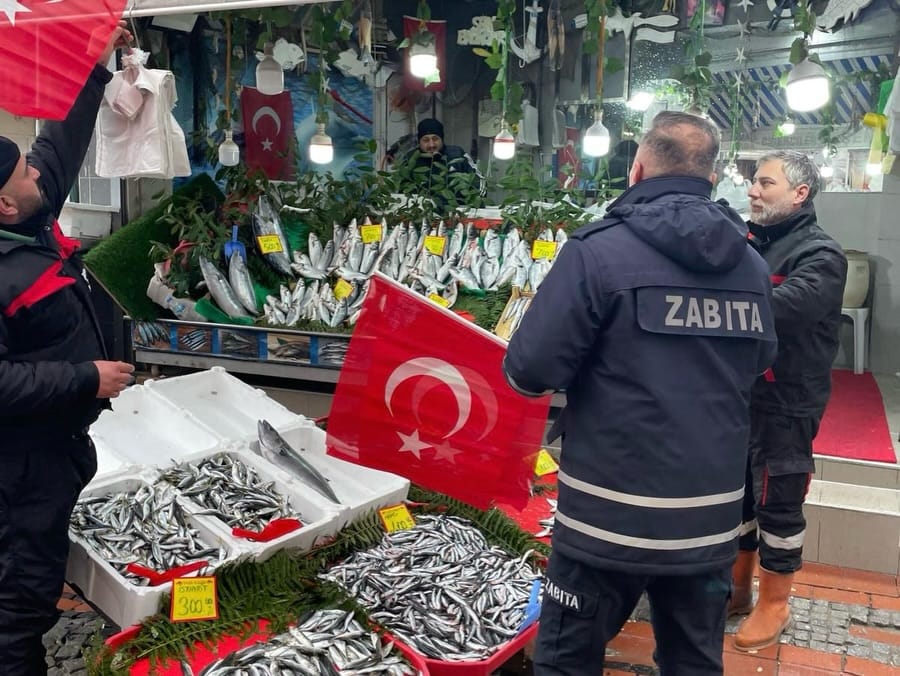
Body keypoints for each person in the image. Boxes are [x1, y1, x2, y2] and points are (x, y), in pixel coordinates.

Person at [503, 111, 778, 675]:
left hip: (607, 518)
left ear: (637, 168)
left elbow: (529, 370)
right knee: (694, 661)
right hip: (708, 518)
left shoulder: (597, 251)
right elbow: (761, 360)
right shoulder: (750, 265)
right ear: (713, 175)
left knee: (567, 660)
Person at [0, 23, 135, 674]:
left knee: (40, 572)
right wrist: (85, 378)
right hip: (17, 466)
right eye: (23, 169)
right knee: (17, 604)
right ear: (4, 202)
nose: (35, 166)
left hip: (58, 449)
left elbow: (62, 137)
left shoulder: (30, 204)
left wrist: (95, 51)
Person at [730, 150, 847, 652]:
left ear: (799, 194)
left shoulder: (821, 255)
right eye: (754, 183)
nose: (753, 191)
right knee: (737, 497)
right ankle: (737, 587)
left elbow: (778, 311)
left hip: (787, 401)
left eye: (765, 183)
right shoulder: (748, 241)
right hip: (739, 395)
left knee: (778, 501)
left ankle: (775, 600)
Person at [386, 118, 478, 205]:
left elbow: (479, 182)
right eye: (426, 140)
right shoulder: (411, 159)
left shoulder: (457, 155)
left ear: (442, 139)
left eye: (435, 139)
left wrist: (453, 197)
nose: (431, 145)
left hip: (457, 214)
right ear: (419, 142)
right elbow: (401, 193)